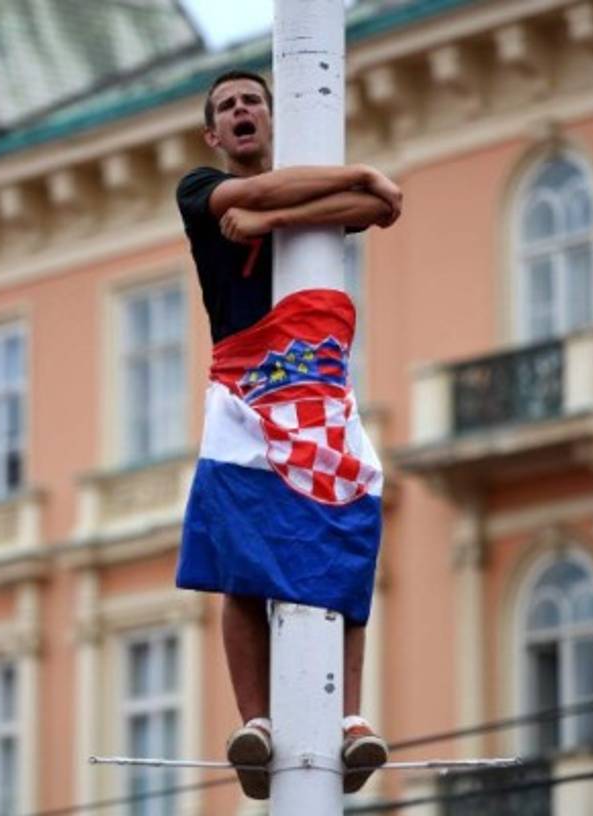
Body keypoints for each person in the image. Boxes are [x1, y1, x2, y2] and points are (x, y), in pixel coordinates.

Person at [174, 70, 402, 800]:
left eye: (253, 102)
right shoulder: (199, 188)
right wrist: (332, 194)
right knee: (240, 557)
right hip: (244, 387)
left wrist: (282, 218)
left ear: (275, 118)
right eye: (228, 108)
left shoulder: (282, 201)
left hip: (317, 388)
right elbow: (251, 196)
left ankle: (349, 718)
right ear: (214, 134)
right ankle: (258, 722)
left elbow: (380, 203)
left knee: (348, 527)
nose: (242, 112)